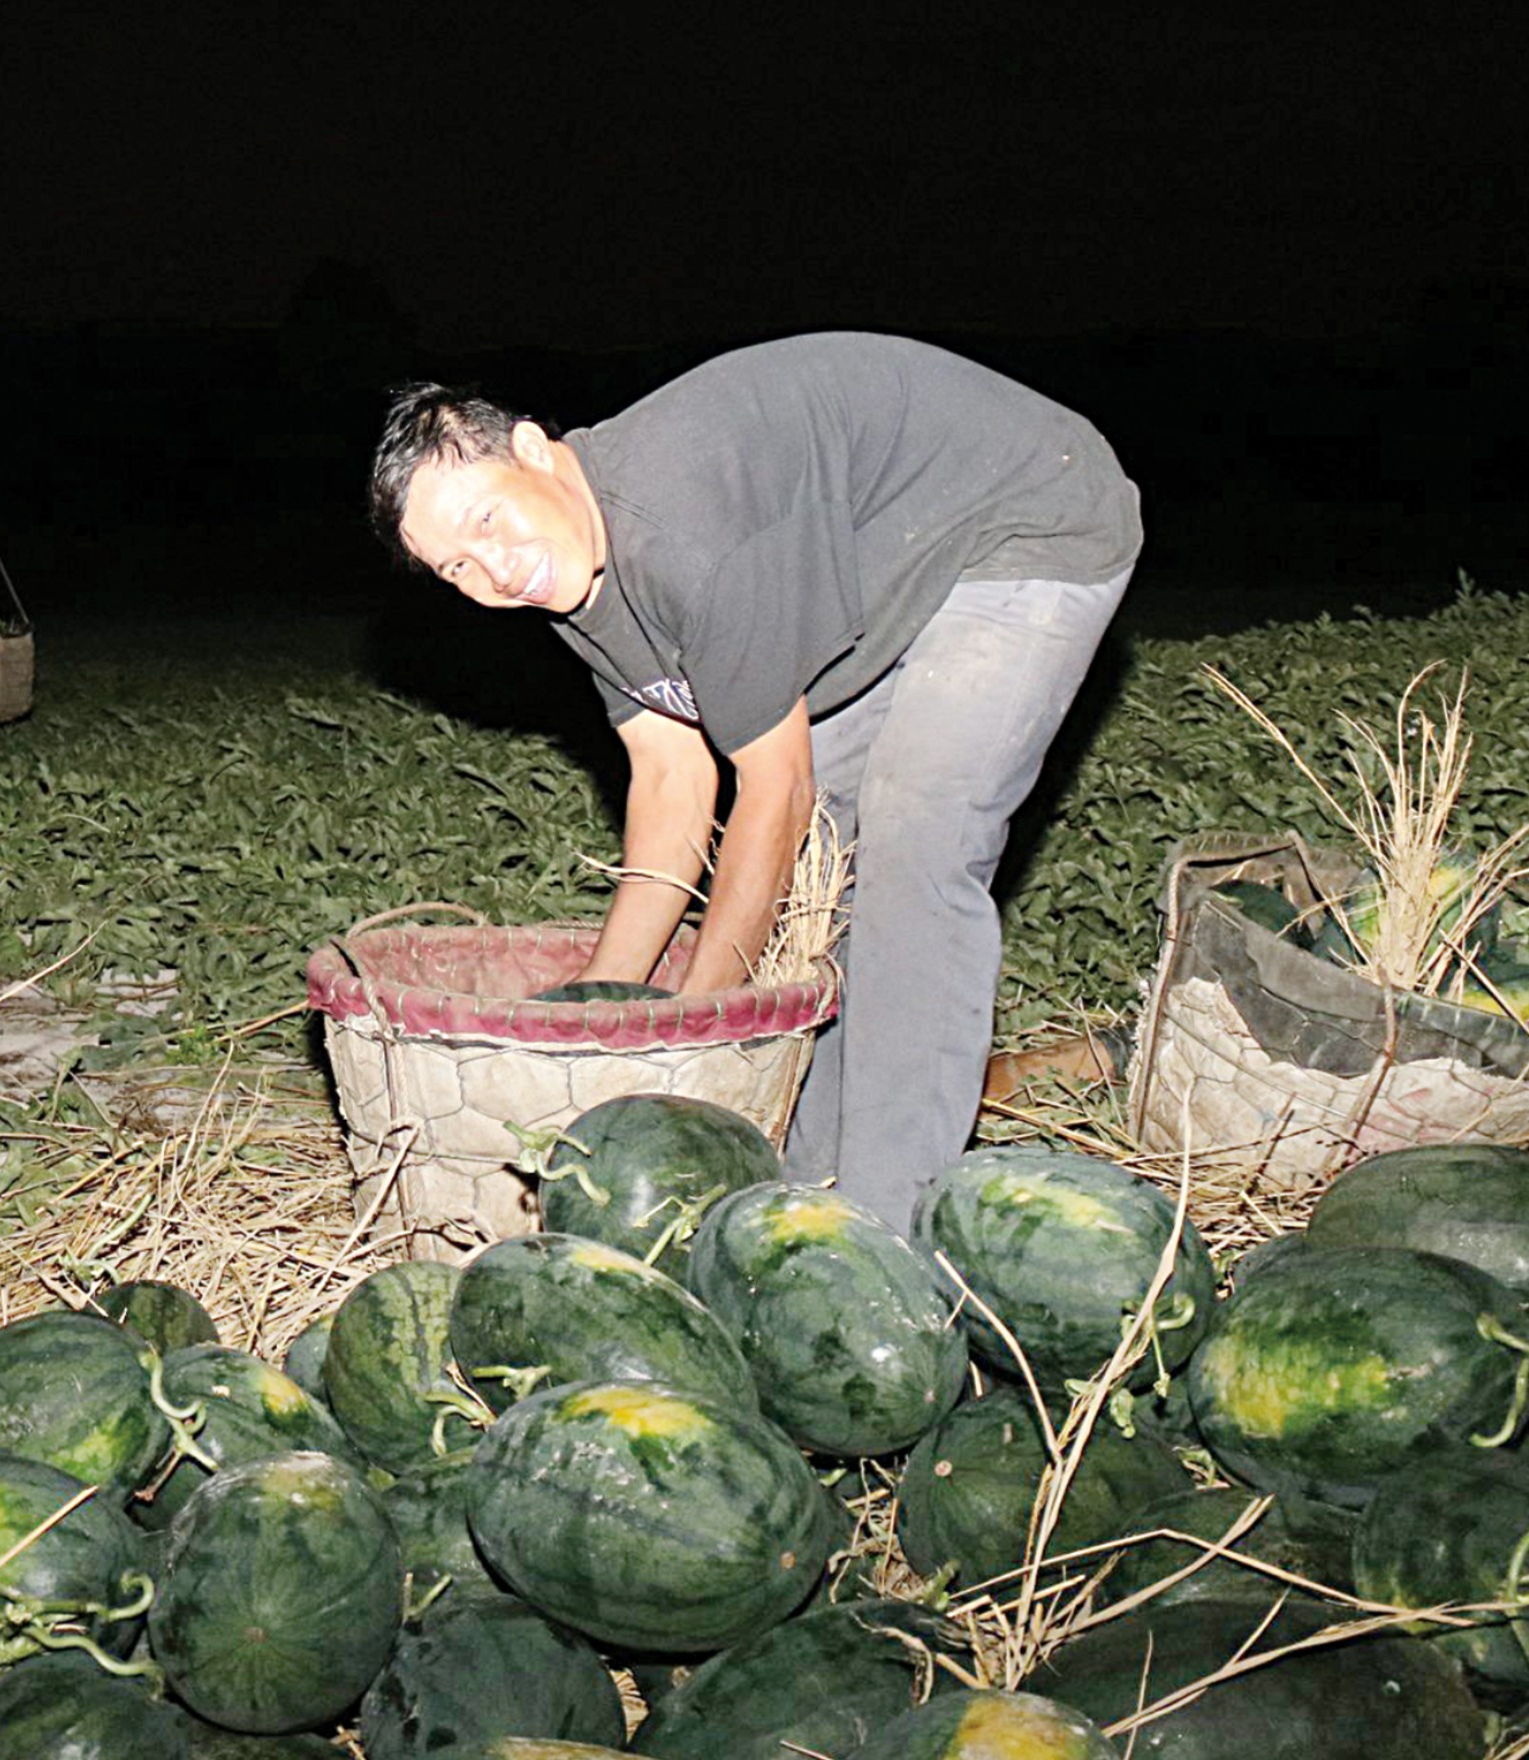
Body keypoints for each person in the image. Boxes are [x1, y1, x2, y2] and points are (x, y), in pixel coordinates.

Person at [369, 334, 1141, 1226]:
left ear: (535, 453)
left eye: (486, 521)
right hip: (883, 564)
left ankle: (892, 1223)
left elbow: (773, 793)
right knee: (835, 874)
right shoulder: (570, 569)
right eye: (454, 567)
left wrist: (695, 1046)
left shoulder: (678, 533)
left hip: (1026, 515)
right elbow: (670, 776)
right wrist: (592, 1019)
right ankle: (806, 1178)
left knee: (915, 835)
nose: (493, 570)